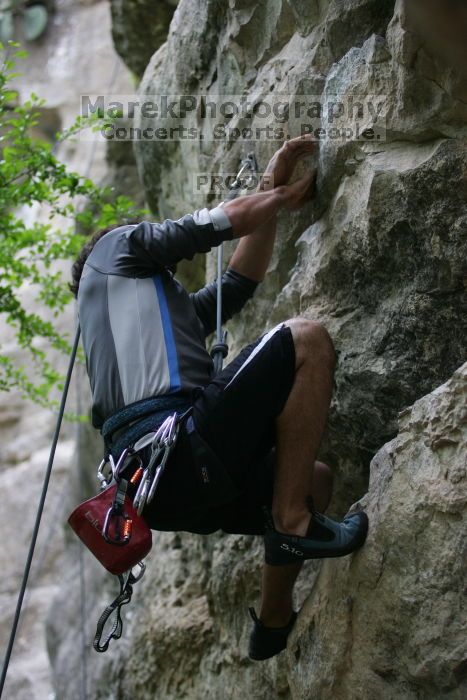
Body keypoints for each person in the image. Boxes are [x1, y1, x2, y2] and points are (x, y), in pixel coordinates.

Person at [71, 135, 368, 662]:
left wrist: (265, 190)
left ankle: (273, 620)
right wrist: (280, 198)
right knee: (306, 340)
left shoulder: (157, 314)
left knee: (312, 481)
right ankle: (292, 525)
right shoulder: (114, 251)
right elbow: (204, 228)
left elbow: (238, 283)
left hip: (162, 491)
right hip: (177, 446)